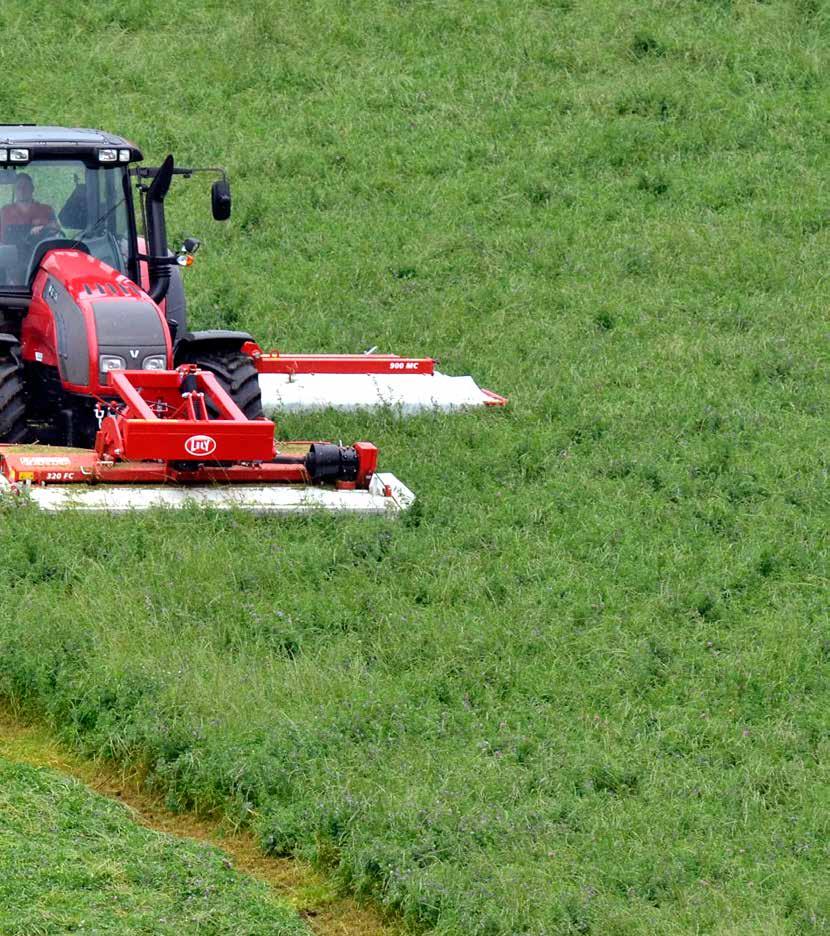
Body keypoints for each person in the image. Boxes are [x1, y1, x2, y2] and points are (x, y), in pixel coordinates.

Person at [0, 173, 58, 243]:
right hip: (11, 253)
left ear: (32, 188)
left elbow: (56, 230)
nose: (22, 190)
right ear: (14, 190)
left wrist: (44, 228)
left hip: (41, 252)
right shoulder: (5, 211)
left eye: (25, 186)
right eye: (19, 187)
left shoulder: (46, 210)